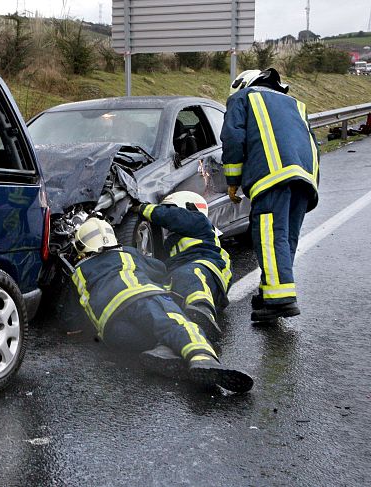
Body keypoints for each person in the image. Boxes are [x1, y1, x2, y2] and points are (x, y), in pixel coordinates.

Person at [69, 218, 253, 393]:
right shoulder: (126, 253)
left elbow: (70, 318)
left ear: (81, 246)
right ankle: (203, 359)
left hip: (113, 331)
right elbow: (159, 269)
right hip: (141, 299)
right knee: (177, 324)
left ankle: (165, 353)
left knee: (154, 334)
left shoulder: (78, 273)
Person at [221, 68, 319, 322]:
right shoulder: (296, 104)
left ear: (243, 84)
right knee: (284, 239)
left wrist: (233, 180)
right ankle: (271, 292)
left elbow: (232, 138)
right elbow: (312, 141)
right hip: (305, 178)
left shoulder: (242, 98)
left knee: (269, 237)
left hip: (272, 177)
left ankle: (281, 300)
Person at [133, 191, 232, 339]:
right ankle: (172, 339)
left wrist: (142, 208)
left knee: (188, 274)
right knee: (162, 296)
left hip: (204, 271)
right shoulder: (173, 240)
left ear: (187, 207)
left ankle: (202, 312)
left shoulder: (199, 222)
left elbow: (174, 217)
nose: (168, 212)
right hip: (188, 279)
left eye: (170, 207)